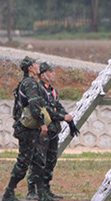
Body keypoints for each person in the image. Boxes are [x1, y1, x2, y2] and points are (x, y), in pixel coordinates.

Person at [3, 57, 53, 201]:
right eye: (36, 64)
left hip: (30, 127)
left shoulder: (26, 82)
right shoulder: (30, 83)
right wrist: (43, 123)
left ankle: (41, 193)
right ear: (30, 68)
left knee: (38, 160)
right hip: (27, 129)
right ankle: (9, 192)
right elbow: (34, 105)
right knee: (23, 162)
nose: (38, 66)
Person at [26, 62, 75, 200]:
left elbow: (57, 106)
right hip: (42, 131)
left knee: (50, 161)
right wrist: (62, 117)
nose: (53, 74)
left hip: (53, 131)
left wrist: (67, 116)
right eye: (51, 72)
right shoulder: (38, 90)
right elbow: (45, 109)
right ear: (43, 75)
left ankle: (46, 189)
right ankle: (32, 191)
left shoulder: (52, 90)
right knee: (38, 160)